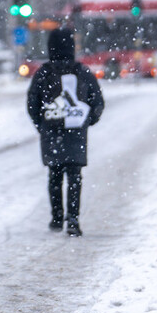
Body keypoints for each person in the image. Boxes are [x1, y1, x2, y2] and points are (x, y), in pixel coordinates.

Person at [27, 26, 105, 237]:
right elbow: (97, 102)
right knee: (74, 177)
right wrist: (85, 121)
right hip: (75, 133)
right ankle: (73, 219)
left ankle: (57, 216)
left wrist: (41, 124)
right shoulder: (83, 72)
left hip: (51, 132)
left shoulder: (44, 73)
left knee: (54, 176)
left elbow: (32, 103)